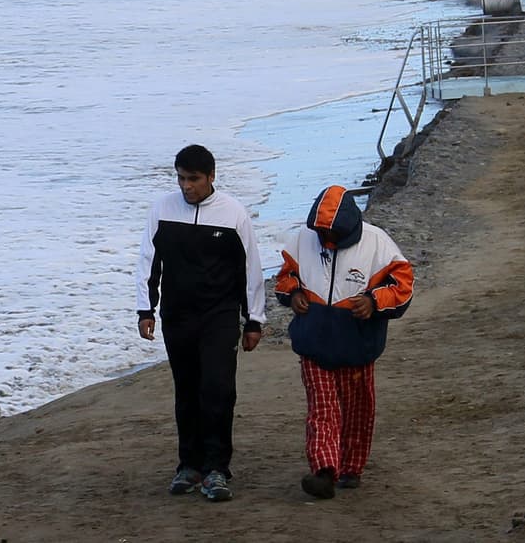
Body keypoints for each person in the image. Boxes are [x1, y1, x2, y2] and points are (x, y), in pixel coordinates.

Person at [135, 144, 265, 502]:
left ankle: (217, 469)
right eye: (180, 178)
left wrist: (253, 320)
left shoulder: (233, 213)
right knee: (187, 391)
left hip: (219, 316)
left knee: (218, 390)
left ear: (211, 176)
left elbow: (250, 268)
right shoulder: (162, 209)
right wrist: (145, 310)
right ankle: (188, 465)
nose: (185, 186)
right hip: (177, 315)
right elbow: (149, 261)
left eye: (192, 179)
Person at [274, 185, 413, 500]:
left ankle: (350, 469)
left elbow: (402, 286)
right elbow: (284, 277)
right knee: (322, 410)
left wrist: (374, 302)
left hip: (357, 348)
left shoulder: (378, 244)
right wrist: (293, 293)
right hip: (313, 345)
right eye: (322, 234)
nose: (327, 240)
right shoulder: (300, 240)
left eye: (332, 234)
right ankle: (324, 470)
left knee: (357, 410)